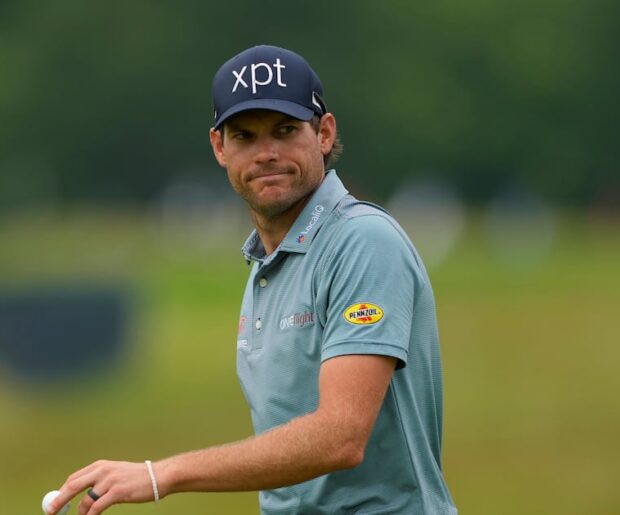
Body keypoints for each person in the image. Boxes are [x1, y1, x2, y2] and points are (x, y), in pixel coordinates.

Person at [48, 44, 457, 515]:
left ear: (324, 133)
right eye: (244, 136)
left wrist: (163, 475)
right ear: (220, 148)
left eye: (285, 131)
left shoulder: (361, 241)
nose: (266, 153)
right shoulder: (266, 261)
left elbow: (340, 438)